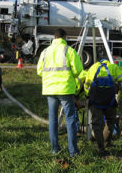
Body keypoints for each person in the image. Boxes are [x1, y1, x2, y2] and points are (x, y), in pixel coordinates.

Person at [37, 28, 83, 157]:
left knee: (53, 120)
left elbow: (39, 71)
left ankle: (55, 149)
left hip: (50, 90)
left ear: (54, 37)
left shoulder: (45, 51)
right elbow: (78, 71)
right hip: (65, 90)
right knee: (70, 120)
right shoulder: (69, 51)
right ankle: (73, 151)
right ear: (65, 37)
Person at [84, 59, 122, 156]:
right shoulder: (113, 67)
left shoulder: (93, 67)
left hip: (95, 101)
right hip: (109, 102)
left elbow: (87, 84)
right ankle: (107, 141)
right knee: (111, 120)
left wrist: (87, 96)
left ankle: (101, 148)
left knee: (97, 124)